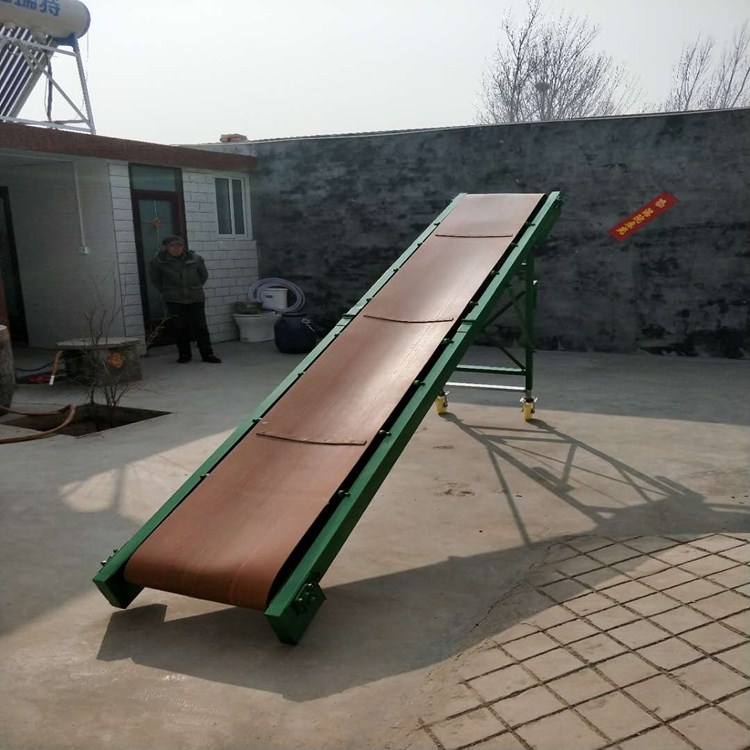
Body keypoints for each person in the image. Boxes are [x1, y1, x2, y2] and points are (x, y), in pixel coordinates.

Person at [149, 235, 221, 363]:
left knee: (201, 326)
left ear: (183, 246)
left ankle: (207, 354)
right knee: (180, 327)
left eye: (179, 245)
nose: (176, 249)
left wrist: (194, 287)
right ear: (166, 247)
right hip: (174, 299)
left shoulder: (195, 258)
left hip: (195, 297)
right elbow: (156, 279)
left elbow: (203, 276)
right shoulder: (159, 261)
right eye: (172, 246)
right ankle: (184, 355)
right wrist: (168, 291)